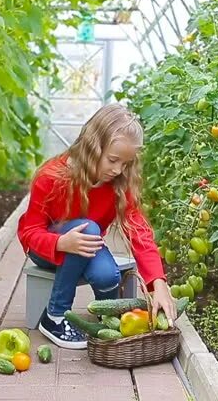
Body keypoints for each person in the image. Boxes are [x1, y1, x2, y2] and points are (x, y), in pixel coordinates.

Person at [17, 104, 176, 349]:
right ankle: (55, 316)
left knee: (107, 275)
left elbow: (139, 231)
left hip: (85, 245)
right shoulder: (51, 177)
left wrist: (158, 284)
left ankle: (109, 319)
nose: (118, 170)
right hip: (46, 248)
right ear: (93, 148)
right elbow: (29, 233)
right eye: (113, 160)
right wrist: (60, 242)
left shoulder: (118, 184)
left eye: (125, 163)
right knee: (89, 229)